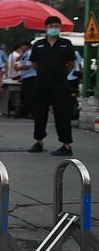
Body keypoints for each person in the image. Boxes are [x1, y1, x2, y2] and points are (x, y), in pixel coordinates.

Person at [27, 16, 76, 156]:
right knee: (40, 114)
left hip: (60, 85)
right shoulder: (38, 44)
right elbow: (34, 63)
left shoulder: (66, 44)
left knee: (62, 115)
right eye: (51, 26)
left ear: (59, 28)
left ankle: (66, 145)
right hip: (41, 85)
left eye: (56, 26)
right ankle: (39, 142)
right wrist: (43, 73)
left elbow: (71, 63)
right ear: (46, 27)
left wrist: (61, 74)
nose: (54, 28)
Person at [15, 42, 35, 118]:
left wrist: (19, 68)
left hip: (30, 77)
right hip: (26, 77)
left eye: (22, 46)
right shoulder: (26, 53)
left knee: (29, 96)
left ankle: (30, 113)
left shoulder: (30, 53)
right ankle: (26, 112)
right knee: (25, 96)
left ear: (26, 46)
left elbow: (29, 65)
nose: (21, 48)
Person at [68, 49, 83, 120]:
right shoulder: (75, 53)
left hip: (70, 77)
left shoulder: (75, 53)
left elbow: (79, 65)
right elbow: (79, 65)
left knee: (73, 95)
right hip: (73, 77)